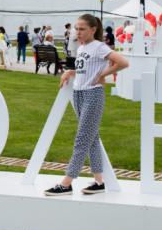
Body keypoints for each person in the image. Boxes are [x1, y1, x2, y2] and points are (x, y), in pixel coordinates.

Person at [45, 14, 130, 197]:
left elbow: (123, 62)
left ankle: (67, 183)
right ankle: (99, 182)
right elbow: (85, 70)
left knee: (82, 138)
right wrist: (70, 71)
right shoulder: (83, 47)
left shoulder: (99, 47)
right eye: (77, 28)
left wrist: (103, 74)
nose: (78, 32)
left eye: (82, 29)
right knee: (92, 138)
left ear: (93, 30)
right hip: (78, 94)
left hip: (93, 95)